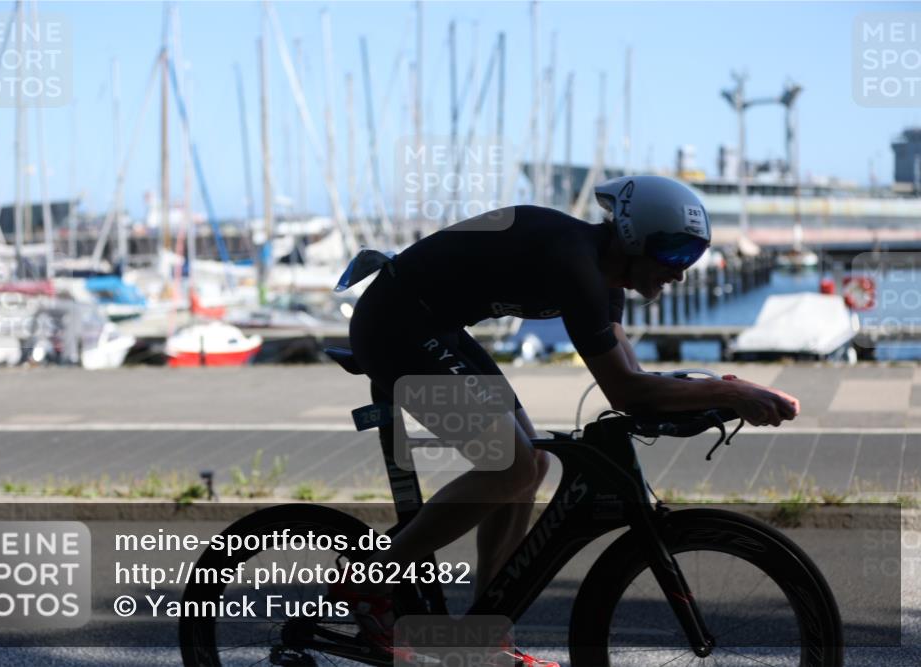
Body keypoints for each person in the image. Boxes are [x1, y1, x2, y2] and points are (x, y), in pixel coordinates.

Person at [327, 175, 800, 665]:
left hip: (432, 326)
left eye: (691, 258)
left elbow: (633, 376)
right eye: (675, 254)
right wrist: (732, 392)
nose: (680, 273)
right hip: (394, 326)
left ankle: (484, 633)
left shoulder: (606, 274)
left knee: (531, 464)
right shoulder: (575, 263)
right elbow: (626, 391)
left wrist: (715, 394)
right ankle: (367, 580)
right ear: (636, 238)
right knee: (510, 464)